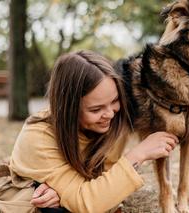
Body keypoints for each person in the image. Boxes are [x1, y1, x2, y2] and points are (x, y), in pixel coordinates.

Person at [10, 50, 179, 213]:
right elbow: (89, 203)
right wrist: (137, 155)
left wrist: (64, 193)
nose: (110, 114)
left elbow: (106, 195)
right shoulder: (38, 138)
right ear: (70, 109)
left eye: (114, 100)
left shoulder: (108, 123)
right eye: (96, 109)